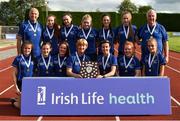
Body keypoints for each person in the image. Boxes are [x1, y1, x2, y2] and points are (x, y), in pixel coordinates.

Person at [11, 41, 34, 109]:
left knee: (31, 104)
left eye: (29, 48)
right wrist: (16, 87)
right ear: (22, 48)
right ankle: (14, 102)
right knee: (22, 107)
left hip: (31, 82)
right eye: (25, 48)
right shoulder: (18, 58)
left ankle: (18, 99)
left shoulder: (34, 58)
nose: (27, 50)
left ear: (31, 49)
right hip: (21, 83)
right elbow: (14, 73)